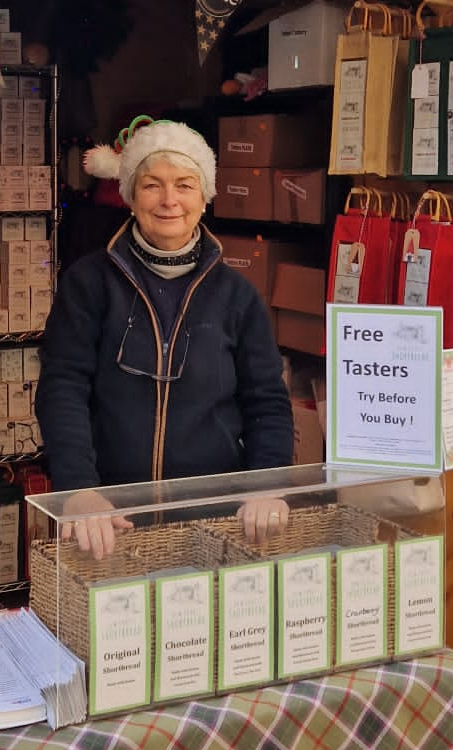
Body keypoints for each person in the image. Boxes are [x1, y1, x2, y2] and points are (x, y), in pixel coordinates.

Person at [36, 118, 294, 554]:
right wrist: (78, 489)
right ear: (131, 196)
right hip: (108, 522)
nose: (169, 200)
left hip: (216, 522)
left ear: (205, 196)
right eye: (153, 184)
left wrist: (266, 485)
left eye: (185, 185)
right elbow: (63, 389)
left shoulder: (238, 296)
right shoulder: (88, 283)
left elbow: (267, 402)